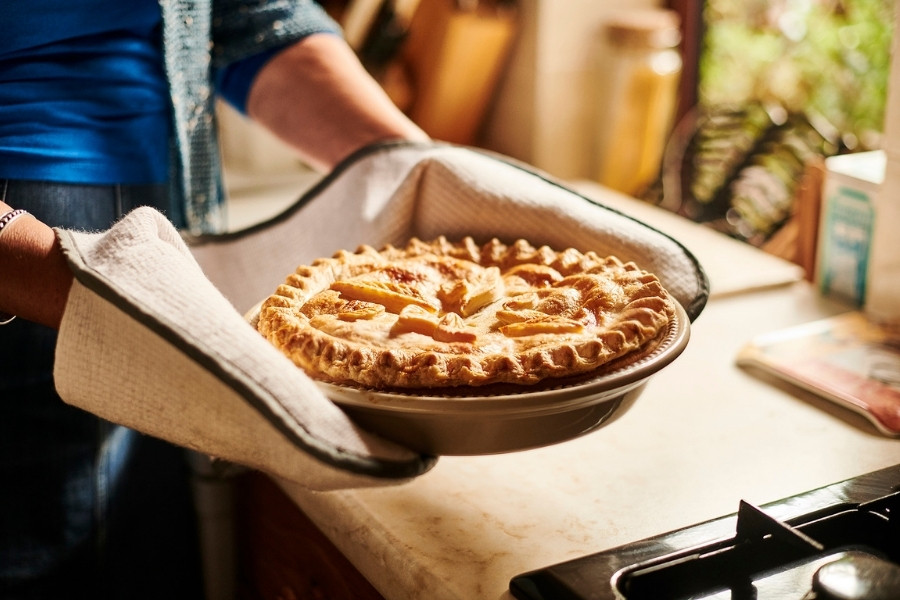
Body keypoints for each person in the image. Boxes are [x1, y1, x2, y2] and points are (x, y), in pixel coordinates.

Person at [0, 0, 428, 597]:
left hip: (165, 237)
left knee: (151, 561)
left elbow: (245, 16)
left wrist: (417, 169)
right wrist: (72, 284)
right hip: (22, 254)